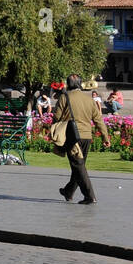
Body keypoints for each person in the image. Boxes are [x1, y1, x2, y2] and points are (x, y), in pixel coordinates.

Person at [55, 74, 111, 205]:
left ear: (68, 84)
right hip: (86, 137)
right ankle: (68, 191)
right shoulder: (89, 100)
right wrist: (105, 137)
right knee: (79, 165)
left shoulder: (65, 97)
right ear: (80, 84)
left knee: (78, 166)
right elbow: (98, 120)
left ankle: (90, 196)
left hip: (72, 136)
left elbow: (57, 117)